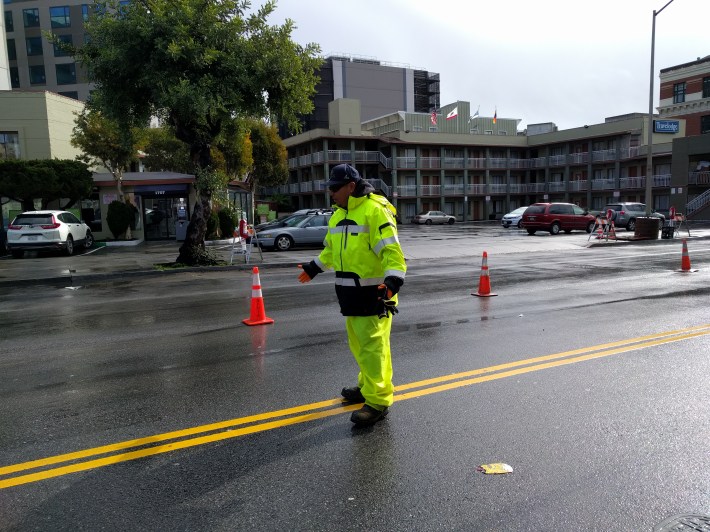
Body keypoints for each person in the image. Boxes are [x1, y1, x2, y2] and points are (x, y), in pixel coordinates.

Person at [298, 164, 406, 427]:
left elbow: (392, 251)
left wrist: (392, 282)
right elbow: (331, 252)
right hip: (349, 295)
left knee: (373, 349)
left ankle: (378, 401)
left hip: (375, 295)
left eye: (335, 188)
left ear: (350, 186)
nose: (331, 193)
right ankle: (366, 386)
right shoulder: (338, 216)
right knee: (360, 346)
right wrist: (314, 268)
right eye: (330, 188)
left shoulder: (374, 211)